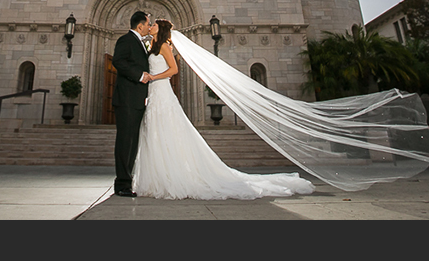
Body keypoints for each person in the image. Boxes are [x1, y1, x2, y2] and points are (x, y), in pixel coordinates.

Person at [132, 19, 315, 200]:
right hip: (154, 93)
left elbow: (174, 70)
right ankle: (160, 175)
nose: (151, 26)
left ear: (161, 29)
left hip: (162, 90)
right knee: (156, 131)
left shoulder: (164, 46)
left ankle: (172, 176)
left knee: (168, 130)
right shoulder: (153, 45)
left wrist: (154, 77)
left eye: (154, 24)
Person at [111, 11, 153, 197]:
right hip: (127, 100)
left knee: (132, 141)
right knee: (125, 141)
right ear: (140, 26)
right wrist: (140, 75)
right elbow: (118, 61)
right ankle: (122, 184)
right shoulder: (126, 40)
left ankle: (127, 181)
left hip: (136, 101)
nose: (149, 27)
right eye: (148, 24)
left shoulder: (140, 42)